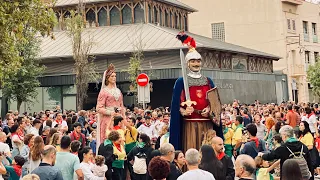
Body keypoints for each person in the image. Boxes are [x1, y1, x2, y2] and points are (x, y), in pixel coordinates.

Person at [169, 38, 223, 152]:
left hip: (208, 125)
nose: (196, 63)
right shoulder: (181, 82)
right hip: (190, 125)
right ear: (188, 63)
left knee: (208, 153)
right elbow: (175, 106)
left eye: (198, 61)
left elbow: (215, 103)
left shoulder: (208, 81)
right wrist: (183, 111)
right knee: (192, 151)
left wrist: (209, 109)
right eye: (193, 61)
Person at [96, 63, 125, 148]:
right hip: (108, 120)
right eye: (112, 76)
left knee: (120, 140)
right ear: (107, 78)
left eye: (115, 76)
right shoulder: (104, 91)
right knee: (109, 141)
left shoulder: (118, 91)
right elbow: (98, 108)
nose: (114, 78)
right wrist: (110, 112)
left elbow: (122, 106)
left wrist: (124, 119)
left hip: (119, 119)